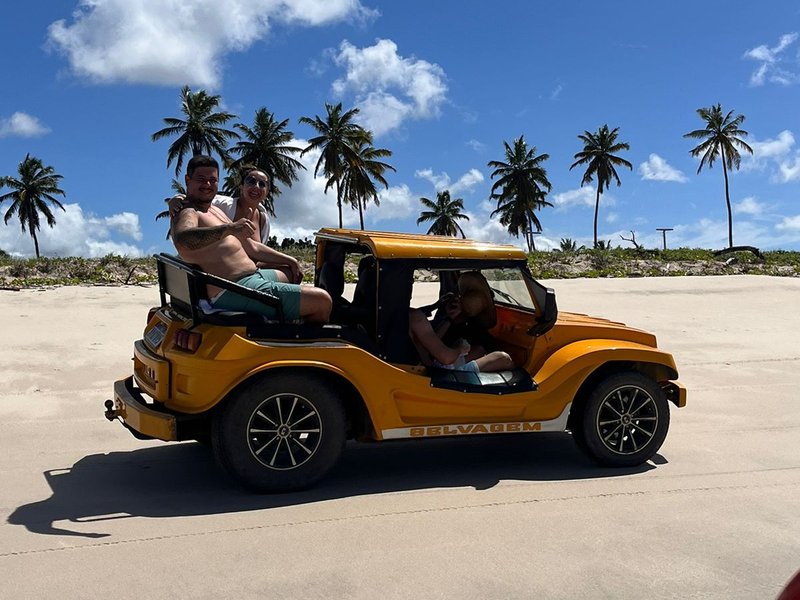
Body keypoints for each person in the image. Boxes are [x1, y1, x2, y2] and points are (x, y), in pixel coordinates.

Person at [170, 155, 331, 323]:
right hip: (233, 289)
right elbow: (183, 239)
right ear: (188, 180)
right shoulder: (188, 211)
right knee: (322, 301)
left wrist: (290, 260)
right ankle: (294, 336)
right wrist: (228, 228)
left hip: (252, 277)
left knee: (291, 272)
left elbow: (251, 246)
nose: (208, 184)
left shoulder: (213, 209)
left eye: (213, 180)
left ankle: (291, 315)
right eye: (201, 179)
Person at [409, 271, 513, 373]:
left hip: (429, 364)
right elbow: (446, 358)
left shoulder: (410, 315)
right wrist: (460, 349)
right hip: (436, 370)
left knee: (479, 350)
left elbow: (432, 342)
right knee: (504, 359)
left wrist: (444, 314)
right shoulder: (416, 317)